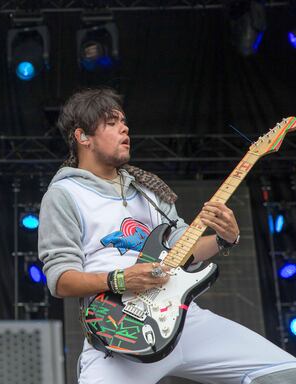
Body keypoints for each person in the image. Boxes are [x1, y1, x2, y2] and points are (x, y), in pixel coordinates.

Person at [38, 88, 296, 383]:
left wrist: (223, 238)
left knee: (286, 375)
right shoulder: (64, 194)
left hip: (185, 322)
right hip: (120, 332)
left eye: (124, 121)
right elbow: (60, 279)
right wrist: (120, 279)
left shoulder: (149, 189)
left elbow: (183, 249)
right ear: (82, 137)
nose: (125, 128)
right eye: (111, 122)